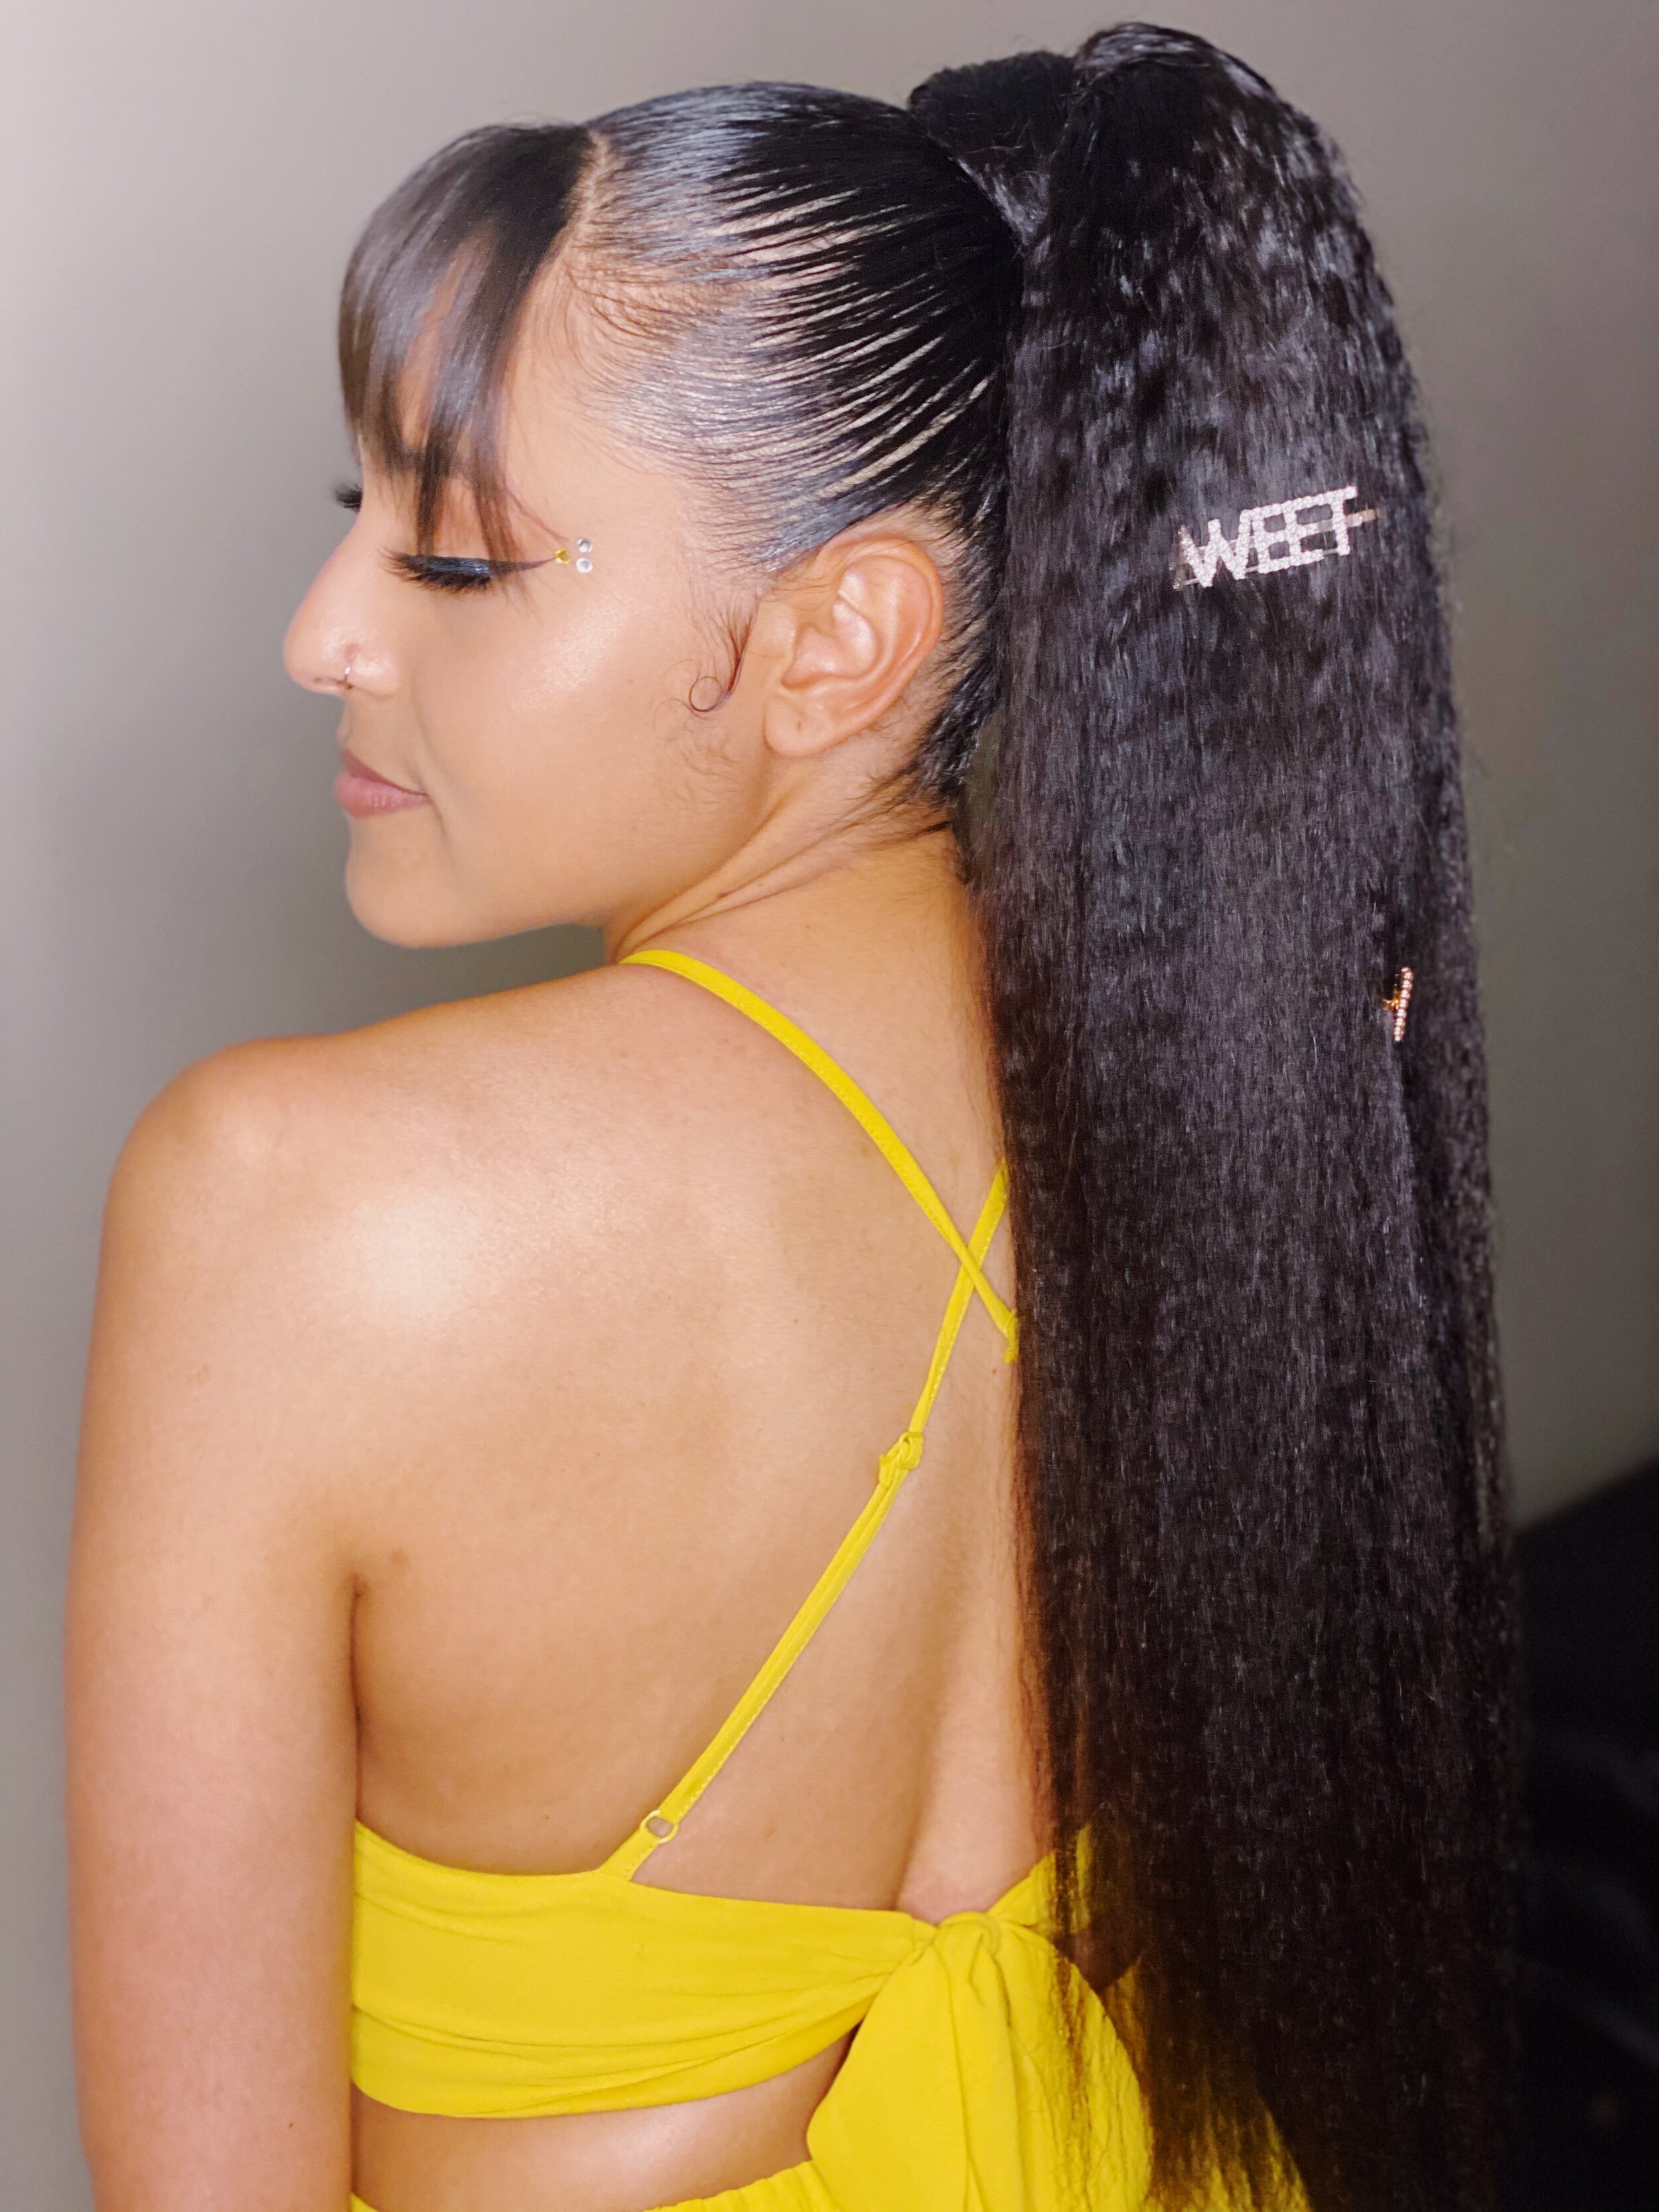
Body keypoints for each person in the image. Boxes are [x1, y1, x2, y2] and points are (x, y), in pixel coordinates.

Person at [67, 25, 1515, 2212]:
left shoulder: (296, 1208)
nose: (321, 635)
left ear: (840, 641)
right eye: (352, 523)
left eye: (454, 563)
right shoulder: (1261, 1094)